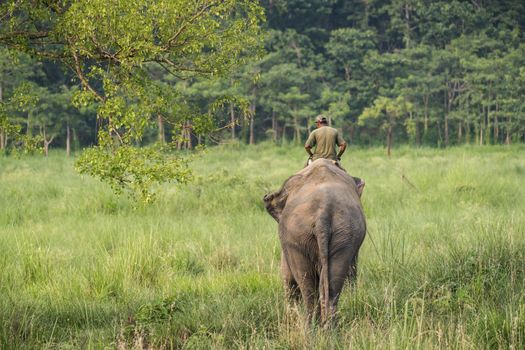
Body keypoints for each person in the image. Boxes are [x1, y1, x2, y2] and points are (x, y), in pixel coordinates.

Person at [304, 115, 365, 196]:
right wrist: (338, 156)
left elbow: (307, 146)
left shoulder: (315, 132)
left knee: (303, 175)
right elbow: (343, 145)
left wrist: (311, 155)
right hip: (332, 160)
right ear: (326, 123)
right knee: (345, 175)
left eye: (316, 124)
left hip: (316, 159)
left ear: (318, 123)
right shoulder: (334, 131)